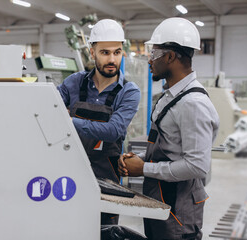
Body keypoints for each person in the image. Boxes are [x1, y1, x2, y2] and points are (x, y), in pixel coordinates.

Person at [118, 17, 220, 240]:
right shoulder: (171, 96)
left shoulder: (193, 104)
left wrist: (143, 168)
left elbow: (196, 166)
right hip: (161, 198)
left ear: (171, 56)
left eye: (153, 54)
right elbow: (169, 148)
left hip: (179, 208)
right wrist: (139, 158)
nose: (149, 60)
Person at [57, 19, 141, 225]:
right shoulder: (74, 83)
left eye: (117, 52)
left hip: (107, 179)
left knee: (104, 230)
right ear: (92, 52)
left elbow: (113, 131)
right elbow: (48, 111)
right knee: (67, 227)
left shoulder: (129, 92)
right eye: (105, 52)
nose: (112, 59)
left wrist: (69, 120)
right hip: (69, 172)